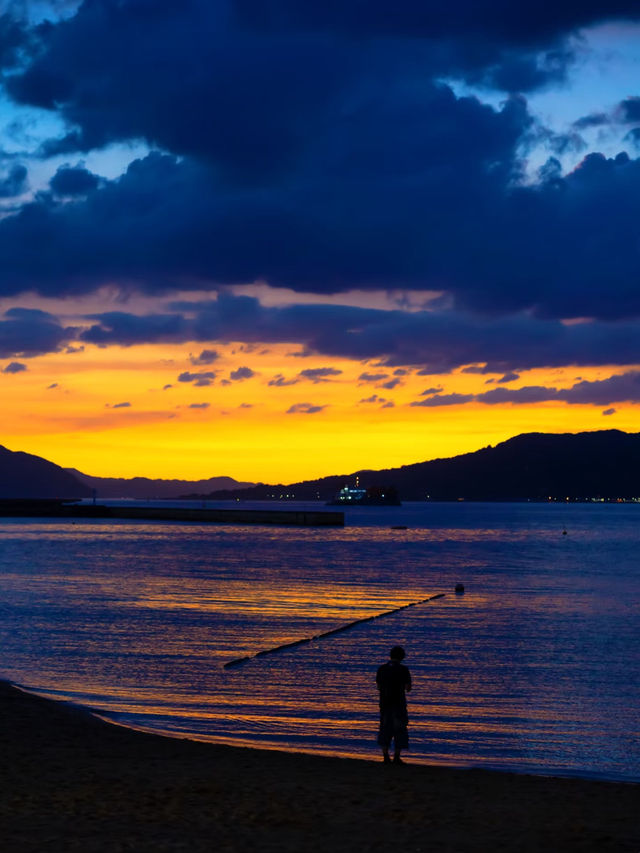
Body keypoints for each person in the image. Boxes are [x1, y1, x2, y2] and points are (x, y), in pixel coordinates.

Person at [376, 645, 412, 764]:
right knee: (400, 730)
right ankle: (396, 757)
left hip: (385, 704)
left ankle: (385, 756)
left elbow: (379, 686)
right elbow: (408, 688)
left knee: (385, 729)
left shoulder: (382, 669)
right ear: (402, 657)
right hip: (399, 704)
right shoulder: (403, 670)